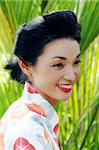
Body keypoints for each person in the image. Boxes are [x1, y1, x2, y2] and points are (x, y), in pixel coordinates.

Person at [0, 10, 81, 150]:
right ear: (25, 66)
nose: (71, 76)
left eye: (76, 62)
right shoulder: (28, 129)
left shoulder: (36, 117)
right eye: (58, 65)